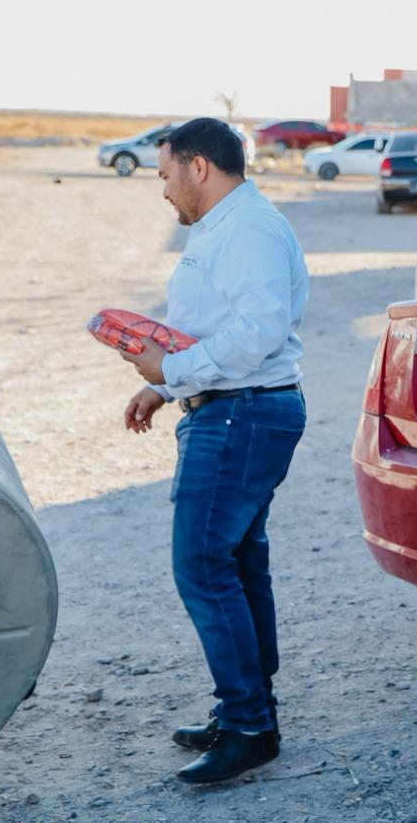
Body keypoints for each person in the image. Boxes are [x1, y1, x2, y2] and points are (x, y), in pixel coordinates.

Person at [117, 116, 309, 785]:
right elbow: (211, 330)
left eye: (167, 174)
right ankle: (248, 713)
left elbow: (257, 333)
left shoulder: (248, 229)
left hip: (243, 415)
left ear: (198, 166)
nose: (164, 190)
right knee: (236, 561)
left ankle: (250, 724)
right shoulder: (224, 229)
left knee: (202, 563)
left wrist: (170, 375)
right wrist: (166, 392)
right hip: (234, 410)